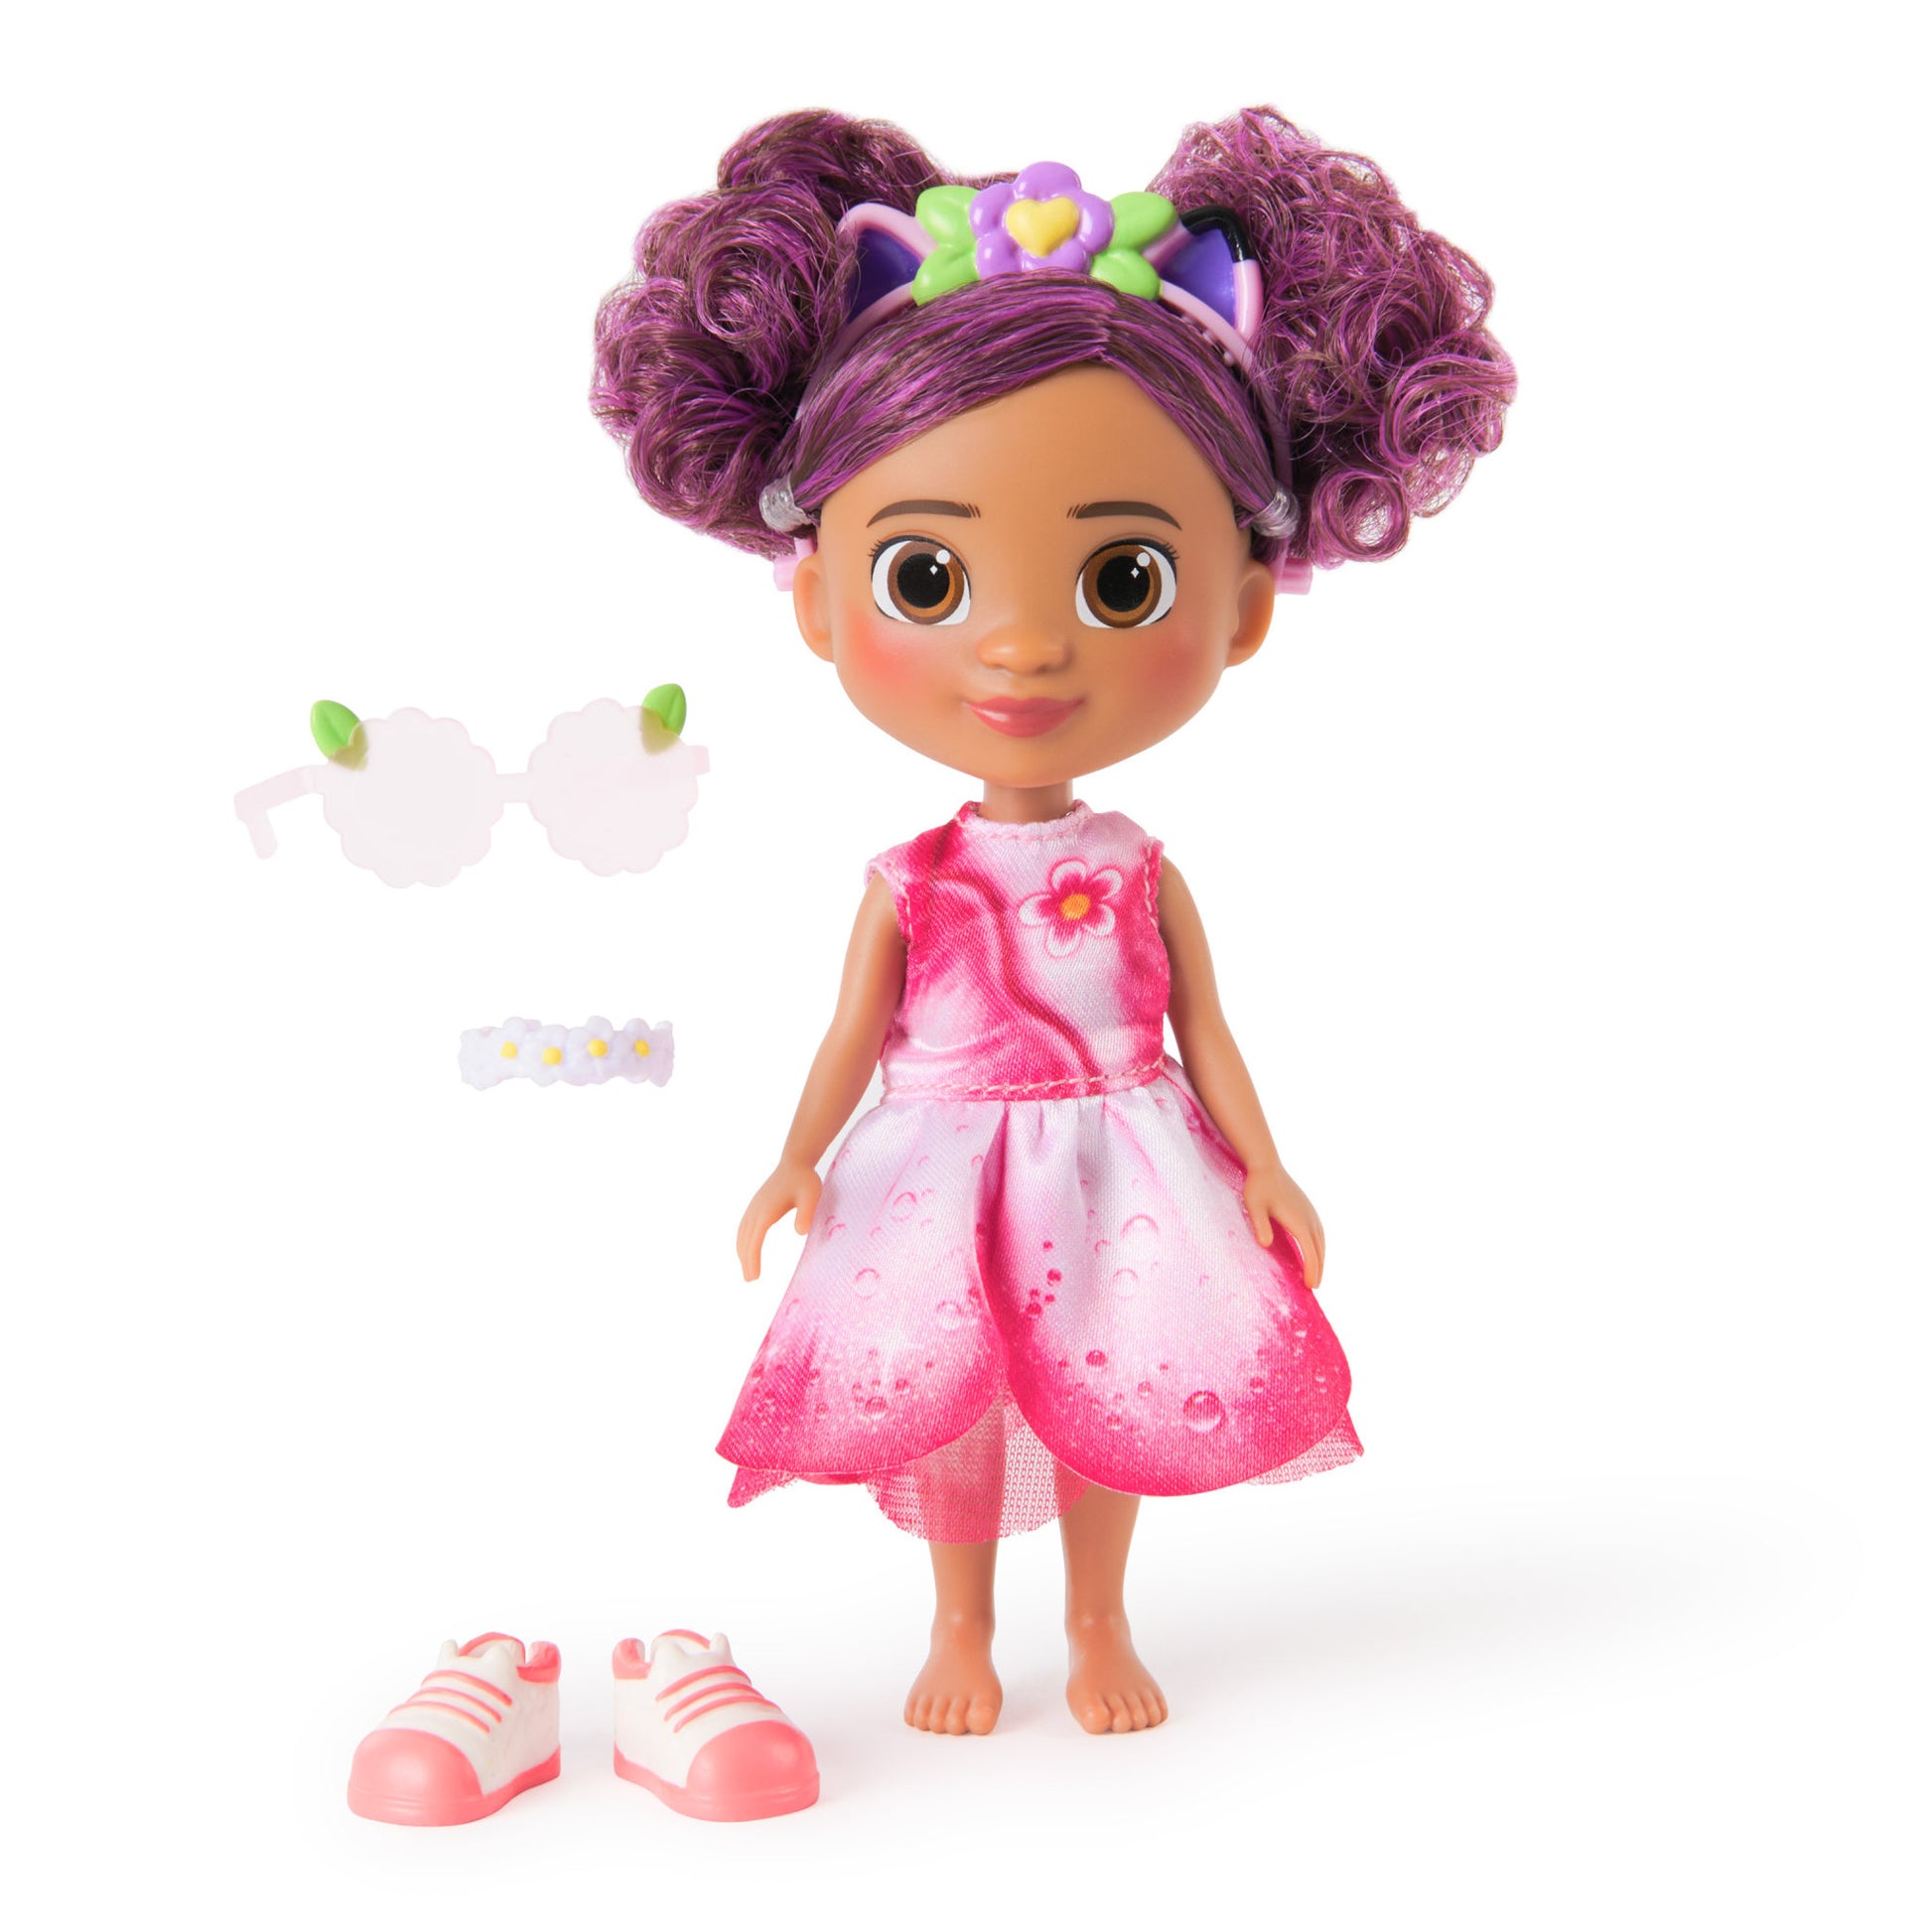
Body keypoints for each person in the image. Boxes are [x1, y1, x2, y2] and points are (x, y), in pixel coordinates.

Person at [592, 107, 1512, 1738]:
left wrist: (1266, 1164)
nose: (1019, 649)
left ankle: (1096, 1616)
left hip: (1120, 1153)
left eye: (1120, 581)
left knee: (1110, 1384)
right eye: (927, 581)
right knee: (954, 1402)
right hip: (935, 1164)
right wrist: (795, 1155)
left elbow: (1202, 1023)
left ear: (1240, 605)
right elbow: (854, 1027)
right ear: (819, 601)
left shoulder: (1142, 864)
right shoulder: (906, 876)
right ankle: (959, 1623)